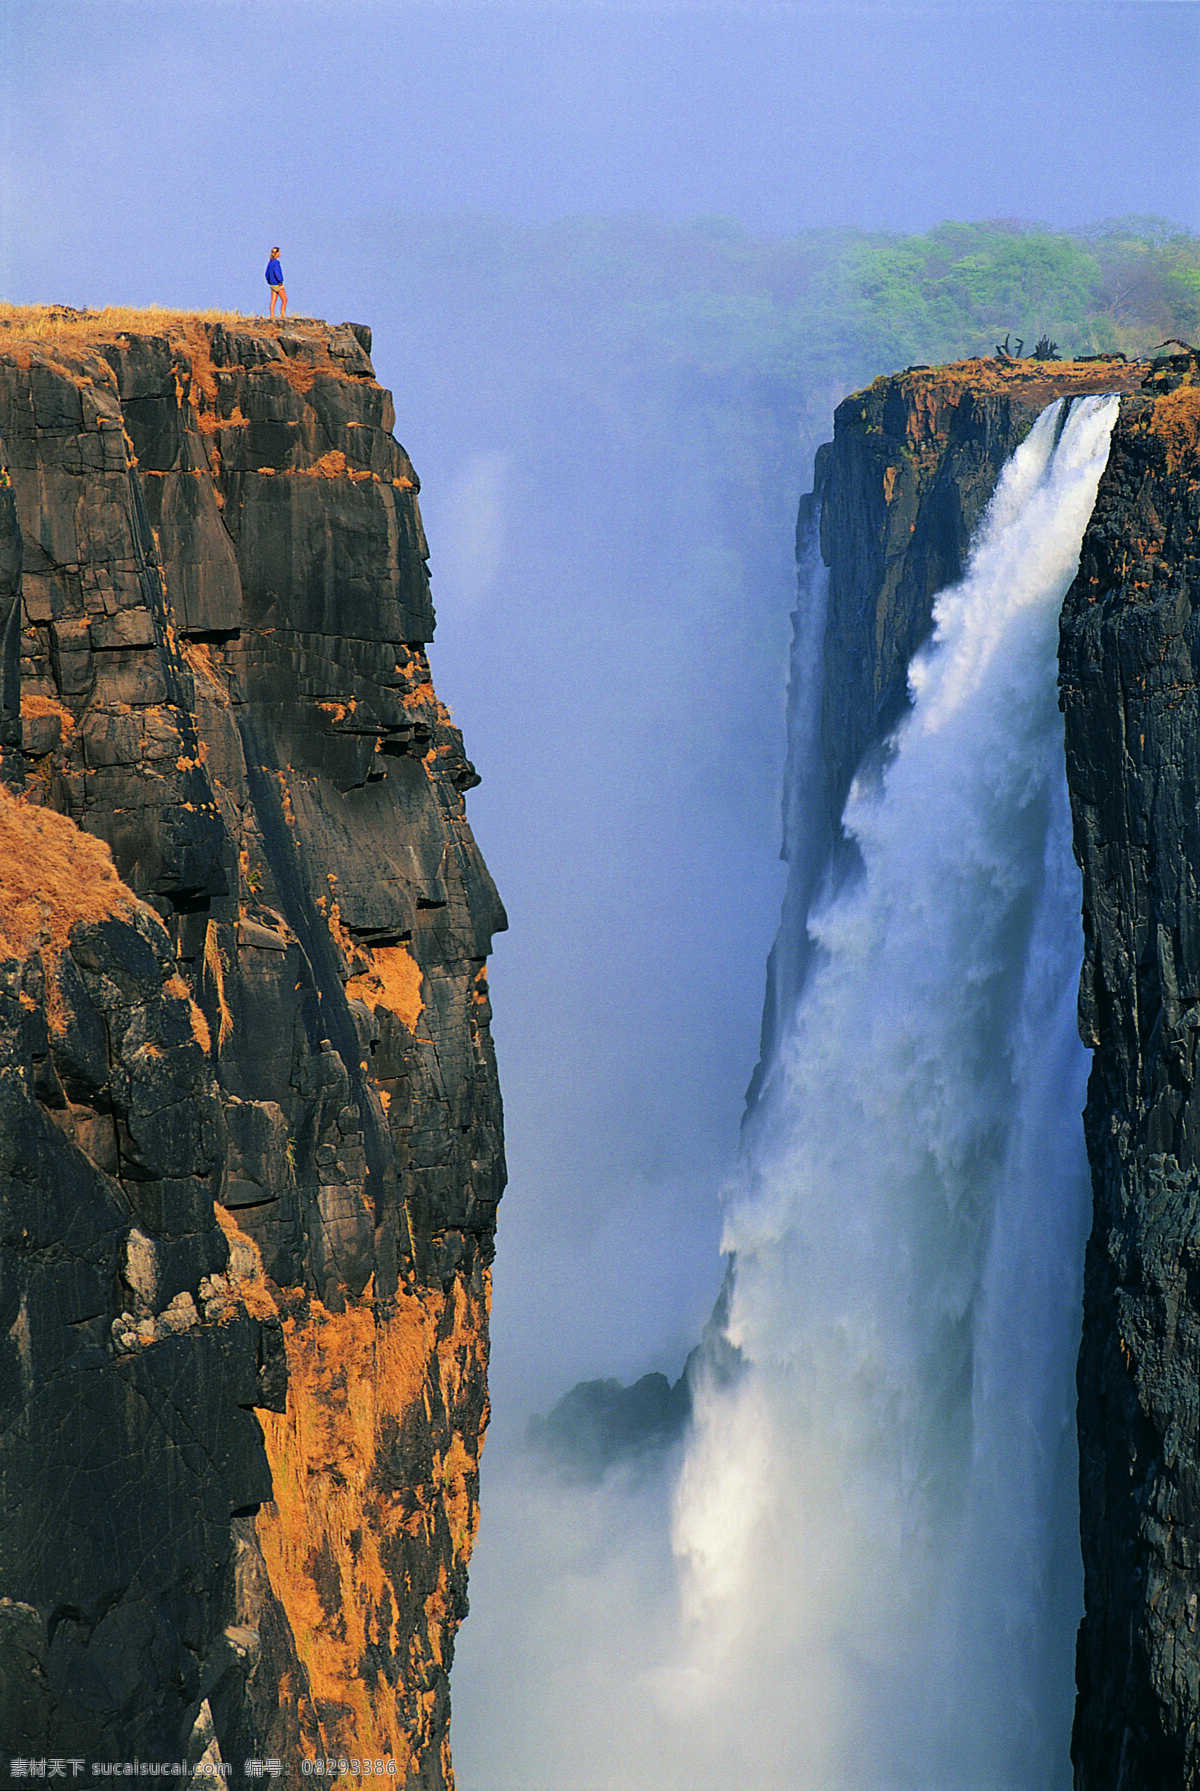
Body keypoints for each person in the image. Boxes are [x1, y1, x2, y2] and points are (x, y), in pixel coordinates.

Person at [265, 248, 287, 318]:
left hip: (272, 284)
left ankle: (272, 315)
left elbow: (266, 274)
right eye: (279, 252)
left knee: (273, 300)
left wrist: (269, 281)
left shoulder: (270, 262)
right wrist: (280, 281)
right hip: (277, 284)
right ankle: (282, 314)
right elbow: (277, 273)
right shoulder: (276, 262)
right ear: (277, 253)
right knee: (284, 300)